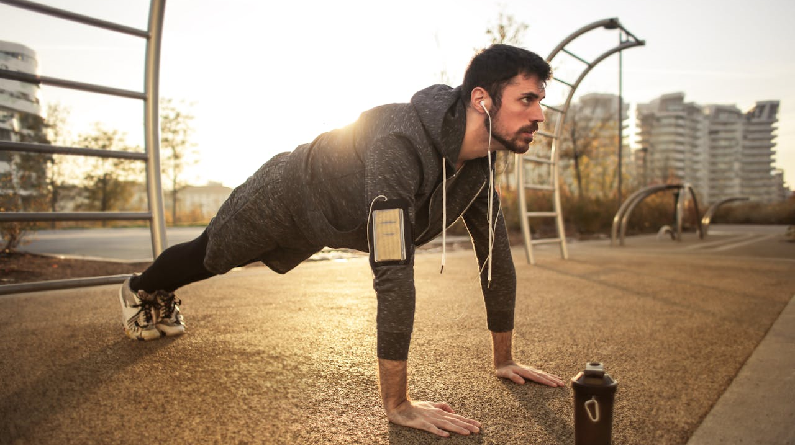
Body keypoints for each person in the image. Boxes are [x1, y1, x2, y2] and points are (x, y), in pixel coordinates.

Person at [118, 43, 566, 437]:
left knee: (214, 256)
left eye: (541, 101)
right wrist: (398, 403)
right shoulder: (399, 142)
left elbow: (497, 256)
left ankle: (155, 290)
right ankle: (141, 287)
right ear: (482, 99)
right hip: (285, 194)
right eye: (527, 100)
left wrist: (503, 359)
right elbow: (393, 267)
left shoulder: (480, 167)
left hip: (333, 220)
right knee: (210, 256)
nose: (539, 115)